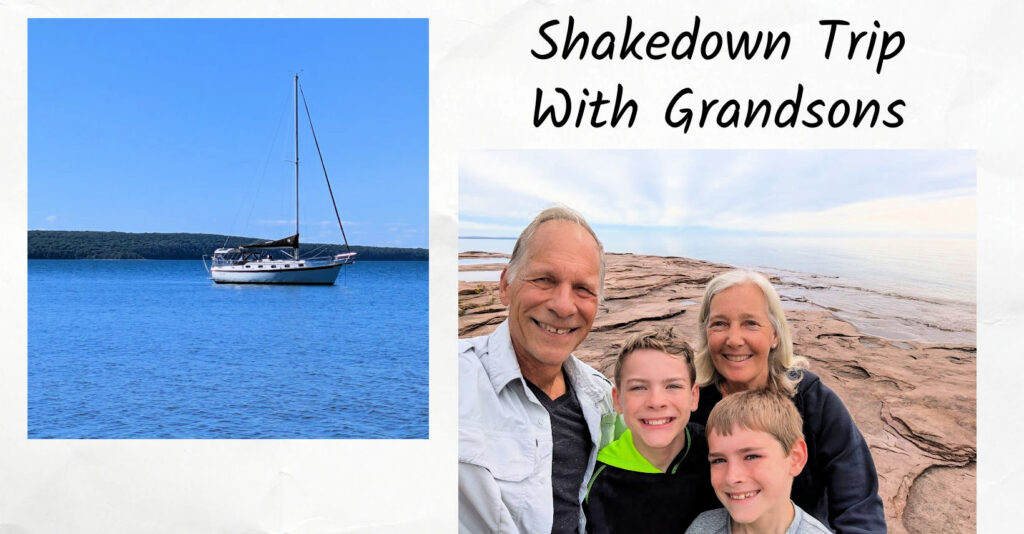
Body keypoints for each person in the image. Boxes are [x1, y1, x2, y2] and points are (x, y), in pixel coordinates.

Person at [689, 270, 886, 533]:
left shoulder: (813, 401)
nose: (734, 339)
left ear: (775, 335)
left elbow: (858, 503)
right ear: (706, 334)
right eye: (720, 324)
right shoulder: (691, 404)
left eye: (750, 323)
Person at [459, 206, 618, 534]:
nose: (563, 305)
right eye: (545, 280)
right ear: (506, 285)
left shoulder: (601, 397)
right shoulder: (449, 380)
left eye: (583, 289)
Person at [583, 328, 719, 533]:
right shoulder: (593, 480)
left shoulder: (717, 454)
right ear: (617, 400)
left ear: (694, 396)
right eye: (639, 387)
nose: (656, 402)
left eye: (672, 386)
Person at [686, 389, 831, 534]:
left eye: (751, 457)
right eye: (719, 460)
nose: (732, 477)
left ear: (795, 458)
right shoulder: (703, 528)